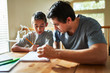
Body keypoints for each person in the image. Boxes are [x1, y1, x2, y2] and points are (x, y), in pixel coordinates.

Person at [37, 1, 107, 64]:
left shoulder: (91, 25)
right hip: (72, 66)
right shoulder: (57, 32)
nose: (55, 28)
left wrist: (56, 53)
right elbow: (55, 51)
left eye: (57, 24)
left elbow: (101, 55)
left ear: (68, 20)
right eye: (53, 24)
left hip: (93, 67)